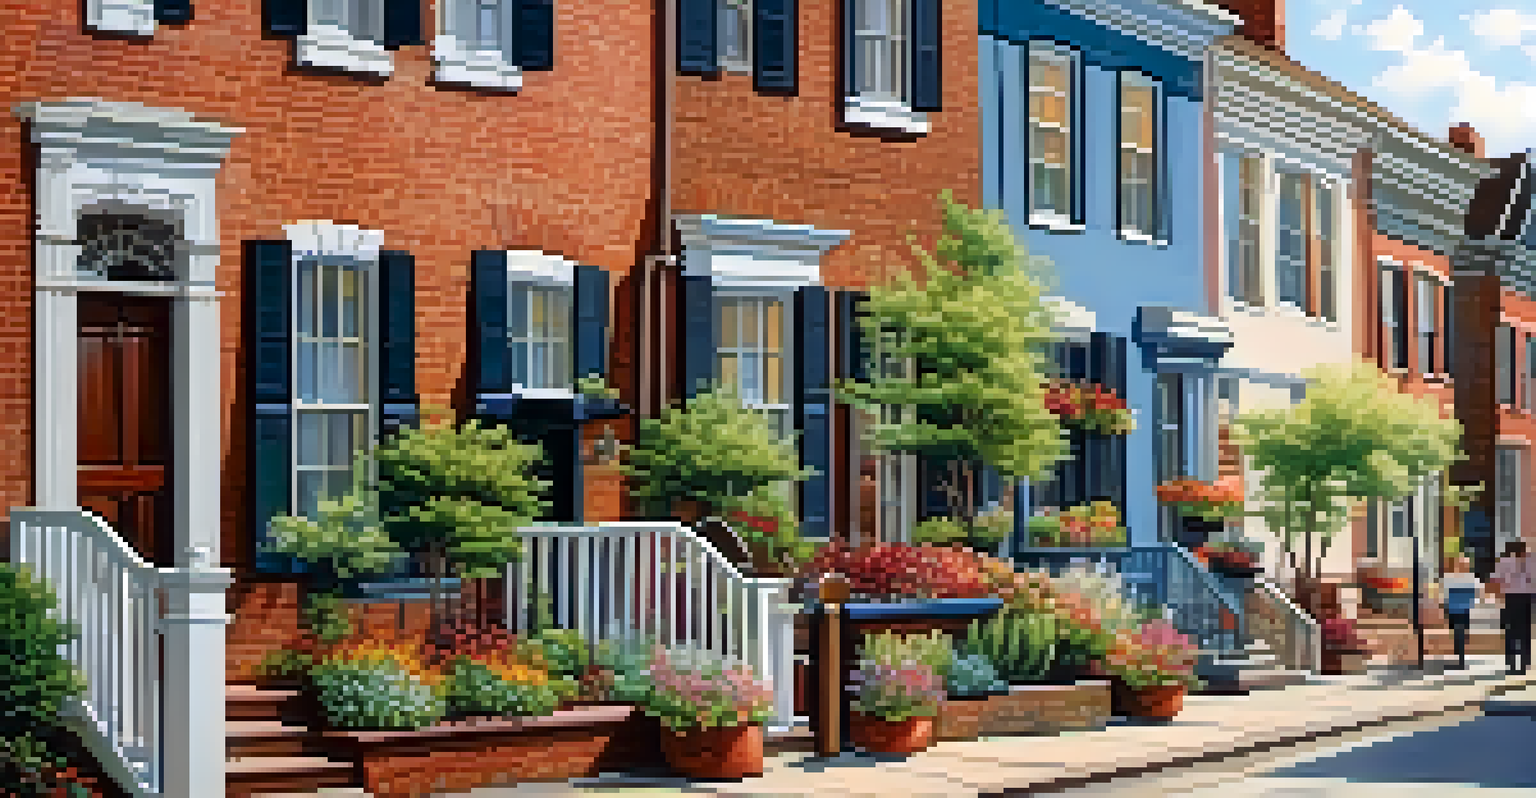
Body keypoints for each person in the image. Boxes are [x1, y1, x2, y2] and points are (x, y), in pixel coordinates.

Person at [1491, 541, 1535, 675]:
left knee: (1510, 630)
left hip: (1510, 598)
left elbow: (1495, 581)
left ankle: (1511, 663)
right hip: (1526, 598)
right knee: (1525, 630)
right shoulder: (1530, 561)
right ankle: (1524, 662)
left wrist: (1498, 596)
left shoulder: (1503, 562)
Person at [1441, 554, 1482, 670]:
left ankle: (1460, 658)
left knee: (1460, 633)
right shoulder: (1451, 578)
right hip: (1458, 610)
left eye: (1464, 565)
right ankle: (1459, 656)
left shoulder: (1469, 579)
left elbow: (1477, 595)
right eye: (1461, 565)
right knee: (1459, 633)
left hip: (1462, 610)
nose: (1463, 567)